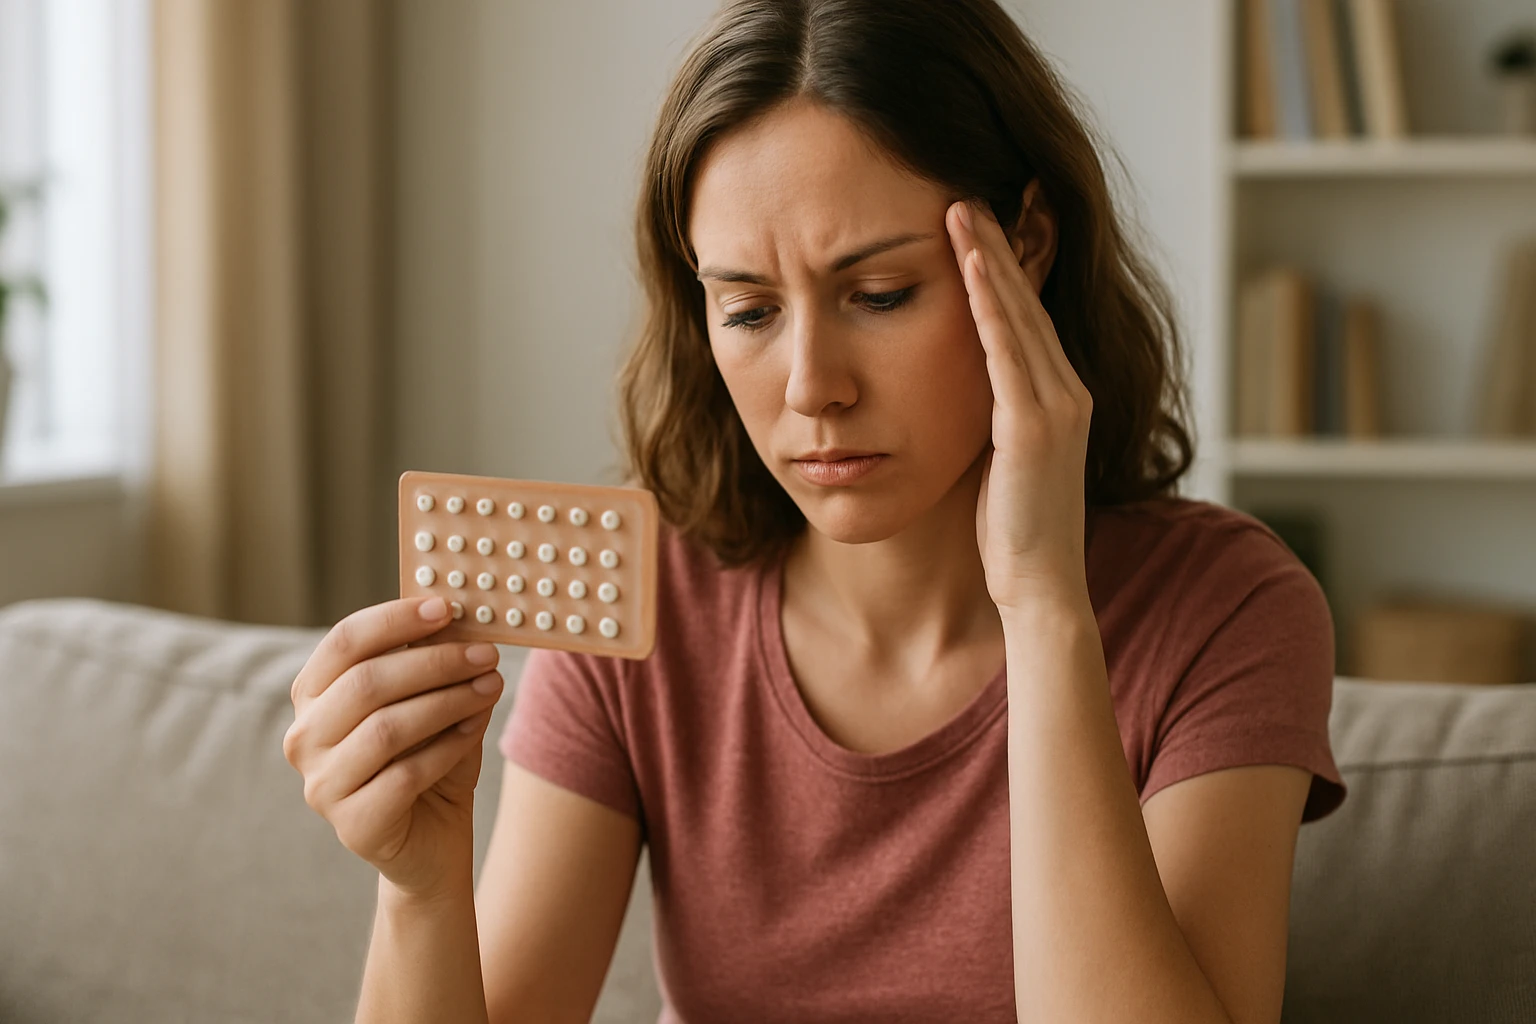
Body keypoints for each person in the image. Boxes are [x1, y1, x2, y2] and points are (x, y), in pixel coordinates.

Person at [285, 1, 1348, 1021]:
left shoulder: (1225, 609)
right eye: (748, 309)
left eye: (879, 294)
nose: (810, 387)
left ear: (1024, 246)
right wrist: (422, 889)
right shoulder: (646, 608)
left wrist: (1044, 604)